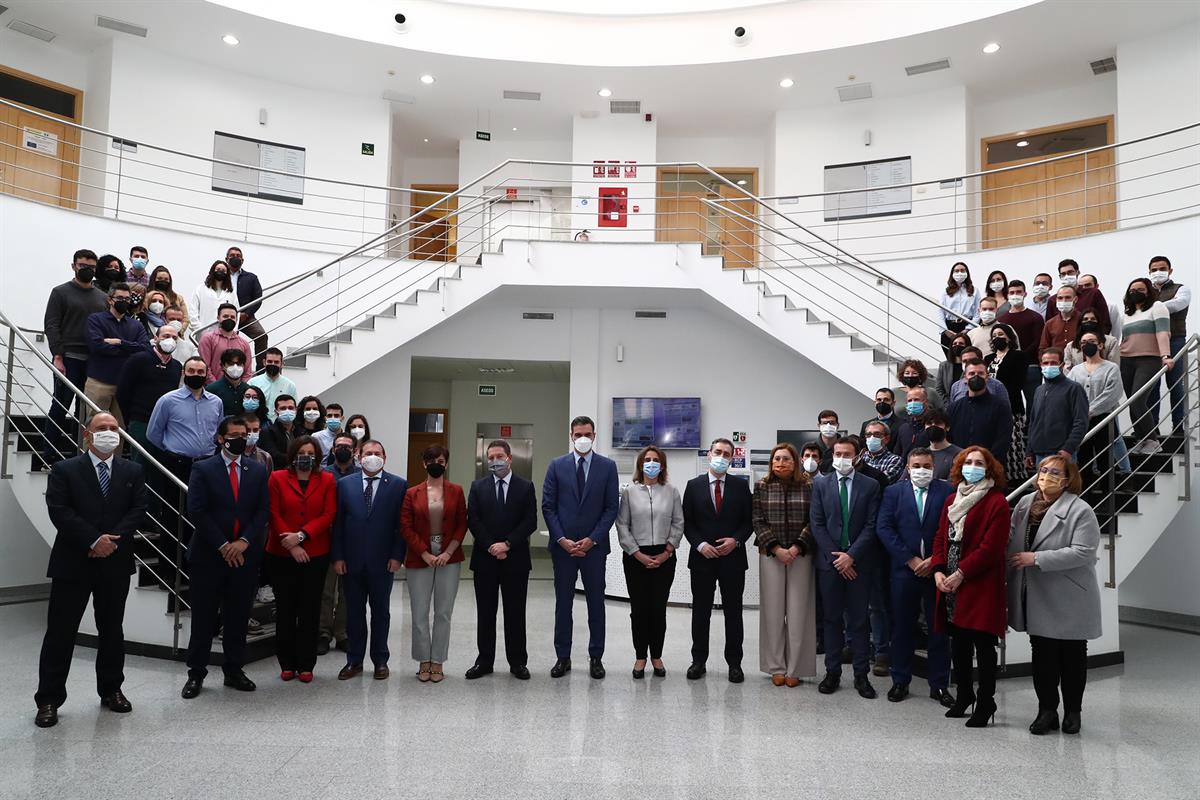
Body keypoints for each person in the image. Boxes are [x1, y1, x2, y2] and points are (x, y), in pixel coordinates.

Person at [34, 414, 147, 728]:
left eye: (113, 429)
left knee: (112, 630)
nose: (108, 434)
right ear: (87, 435)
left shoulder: (132, 470)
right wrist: (93, 539)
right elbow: (59, 510)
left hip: (115, 560)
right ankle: (48, 699)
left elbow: (138, 509)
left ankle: (112, 690)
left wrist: (111, 541)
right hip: (73, 562)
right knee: (60, 633)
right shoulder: (64, 469)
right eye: (101, 429)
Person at [1007, 456, 1102, 736]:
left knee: (1072, 658)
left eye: (1054, 472)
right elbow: (1012, 537)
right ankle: (1047, 710)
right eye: (1043, 470)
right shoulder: (1025, 504)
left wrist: (1036, 558)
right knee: (1043, 657)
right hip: (1036, 592)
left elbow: (1084, 551)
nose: (1046, 476)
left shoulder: (1080, 510)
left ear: (1068, 478)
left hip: (1069, 594)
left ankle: (1074, 711)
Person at [180, 415, 270, 700]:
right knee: (204, 618)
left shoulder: (256, 470)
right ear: (220, 438)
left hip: (244, 557)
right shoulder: (202, 468)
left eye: (244, 434)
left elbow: (262, 512)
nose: (240, 439)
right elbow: (197, 510)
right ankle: (196, 673)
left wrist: (242, 542)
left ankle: (234, 670)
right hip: (209, 555)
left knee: (238, 616)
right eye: (234, 434)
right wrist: (223, 544)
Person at [931, 446, 1010, 728]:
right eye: (968, 462)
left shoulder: (996, 501)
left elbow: (992, 548)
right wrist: (939, 570)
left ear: (989, 469)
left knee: (983, 646)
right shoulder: (952, 498)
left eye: (978, 463)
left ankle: (986, 701)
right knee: (959, 644)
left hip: (979, 582)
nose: (972, 466)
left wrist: (962, 573)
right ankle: (964, 695)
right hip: (950, 581)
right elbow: (941, 536)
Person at [875, 447, 955, 707]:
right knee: (901, 629)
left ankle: (940, 685)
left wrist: (934, 560)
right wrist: (910, 560)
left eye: (927, 466)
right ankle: (900, 680)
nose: (922, 470)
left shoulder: (947, 492)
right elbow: (884, 528)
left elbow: (952, 529)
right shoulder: (893, 492)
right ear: (908, 468)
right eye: (917, 465)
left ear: (934, 468)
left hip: (937, 571)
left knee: (938, 630)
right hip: (903, 571)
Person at [542, 415, 620, 679]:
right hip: (563, 549)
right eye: (578, 434)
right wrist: (562, 539)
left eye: (587, 434)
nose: (582, 439)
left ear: (594, 435)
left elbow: (611, 508)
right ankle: (562, 657)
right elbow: (548, 506)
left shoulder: (607, 467)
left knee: (596, 604)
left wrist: (592, 539)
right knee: (563, 604)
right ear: (571, 436)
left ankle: (596, 656)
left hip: (594, 549)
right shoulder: (556, 466)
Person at [809, 437, 882, 698]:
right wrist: (838, 559)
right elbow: (817, 524)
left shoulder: (871, 485)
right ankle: (832, 672)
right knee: (831, 620)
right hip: (830, 565)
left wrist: (851, 557)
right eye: (837, 453)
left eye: (846, 453)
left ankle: (861, 676)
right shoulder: (820, 483)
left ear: (857, 455)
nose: (841, 457)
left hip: (859, 563)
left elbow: (872, 525)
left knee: (860, 622)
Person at [332, 440, 407, 680]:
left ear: (385, 456)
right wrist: (338, 557)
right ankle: (354, 661)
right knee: (353, 614)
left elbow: (401, 526)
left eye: (377, 453)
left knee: (381, 613)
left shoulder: (398, 485)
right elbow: (338, 525)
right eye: (368, 453)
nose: (372, 457)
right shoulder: (344, 485)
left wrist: (397, 556)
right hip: (351, 562)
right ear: (358, 455)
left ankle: (380, 661)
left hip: (383, 563)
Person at [681, 437, 753, 683]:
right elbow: (687, 522)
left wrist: (736, 540)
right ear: (709, 455)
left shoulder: (741, 487)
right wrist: (700, 545)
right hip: (702, 560)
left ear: (732, 458)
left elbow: (748, 522)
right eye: (718, 452)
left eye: (726, 453)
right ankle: (698, 661)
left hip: (733, 560)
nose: (721, 457)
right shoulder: (693, 486)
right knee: (701, 612)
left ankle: (735, 663)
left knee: (734, 613)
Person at [266, 436, 336, 683]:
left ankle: (306, 664)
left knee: (310, 610)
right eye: (301, 451)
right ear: (292, 455)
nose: (305, 455)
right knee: (285, 609)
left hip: (315, 553)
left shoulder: (327, 479)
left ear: (317, 456)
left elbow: (328, 514)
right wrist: (291, 543)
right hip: (281, 553)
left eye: (310, 452)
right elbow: (273, 512)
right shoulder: (277, 478)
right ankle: (286, 662)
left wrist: (302, 535)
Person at [466, 439, 537, 680]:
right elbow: (473, 520)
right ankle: (484, 661)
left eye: (499, 456)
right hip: (485, 560)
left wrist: (506, 544)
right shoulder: (478, 487)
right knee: (486, 613)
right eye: (491, 456)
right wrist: (491, 546)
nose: (495, 460)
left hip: (515, 559)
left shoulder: (525, 487)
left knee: (515, 613)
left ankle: (517, 662)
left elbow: (530, 521)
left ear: (510, 458)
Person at [401, 445, 467, 683]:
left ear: (446, 464)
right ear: (424, 464)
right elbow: (406, 527)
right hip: (420, 558)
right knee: (419, 612)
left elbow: (462, 523)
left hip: (449, 557)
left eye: (440, 460)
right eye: (430, 460)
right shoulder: (412, 493)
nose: (435, 463)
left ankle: (438, 660)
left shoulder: (457, 491)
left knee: (443, 612)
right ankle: (423, 660)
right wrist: (425, 553)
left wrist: (448, 553)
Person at [752, 443, 816, 687]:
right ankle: (776, 666)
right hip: (771, 554)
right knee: (772, 612)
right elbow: (757, 520)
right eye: (776, 459)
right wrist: (777, 548)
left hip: (801, 555)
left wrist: (797, 547)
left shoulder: (809, 485)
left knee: (800, 612)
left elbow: (814, 520)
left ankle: (795, 668)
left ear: (795, 461)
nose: (780, 463)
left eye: (786, 459)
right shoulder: (762, 486)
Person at [617, 446, 684, 679]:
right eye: (647, 460)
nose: (652, 463)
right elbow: (622, 525)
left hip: (664, 557)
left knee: (657, 609)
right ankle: (640, 657)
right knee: (639, 610)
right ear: (640, 464)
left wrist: (667, 551)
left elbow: (678, 523)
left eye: (656, 460)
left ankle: (656, 655)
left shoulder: (672, 491)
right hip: (636, 557)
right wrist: (636, 553)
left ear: (662, 465)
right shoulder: (629, 492)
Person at [43, 248, 109, 461]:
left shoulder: (102, 297)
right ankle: (49, 454)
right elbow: (52, 325)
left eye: (91, 267)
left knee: (86, 410)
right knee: (60, 405)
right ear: (73, 266)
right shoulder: (60, 292)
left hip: (94, 361)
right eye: (83, 266)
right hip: (69, 357)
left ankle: (79, 454)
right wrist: (58, 356)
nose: (87, 270)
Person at [1119, 277, 1173, 454]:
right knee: (1131, 402)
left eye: (1141, 289)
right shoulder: (1126, 314)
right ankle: (1141, 439)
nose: (1136, 292)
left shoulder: (1158, 307)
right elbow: (1124, 340)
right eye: (1132, 289)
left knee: (1138, 399)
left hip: (1149, 359)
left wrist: (1165, 355)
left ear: (1149, 291)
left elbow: (1163, 332)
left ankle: (1153, 440)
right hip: (1126, 360)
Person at [84, 283, 150, 426]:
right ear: (110, 300)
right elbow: (97, 346)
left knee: (119, 428)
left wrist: (120, 342)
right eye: (120, 298)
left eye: (127, 299)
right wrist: (130, 350)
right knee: (95, 425)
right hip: (99, 381)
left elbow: (145, 348)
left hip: (124, 384)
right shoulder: (95, 319)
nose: (124, 302)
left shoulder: (136, 325)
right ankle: (88, 450)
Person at [115, 324, 182, 464]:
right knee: (141, 464)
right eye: (166, 336)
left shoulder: (177, 366)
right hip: (141, 421)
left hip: (165, 425)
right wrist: (131, 418)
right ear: (156, 338)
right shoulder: (138, 359)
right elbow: (122, 391)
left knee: (162, 466)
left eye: (174, 338)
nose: (170, 340)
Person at [316, 433, 358, 655]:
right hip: (327, 539)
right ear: (332, 450)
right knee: (325, 591)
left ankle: (342, 633)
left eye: (347, 447)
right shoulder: (323, 475)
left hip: (353, 540)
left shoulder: (361, 475)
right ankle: (323, 633)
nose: (343, 449)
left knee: (348, 591)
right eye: (339, 446)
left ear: (355, 451)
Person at [1068, 335, 1122, 494]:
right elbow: (1070, 393)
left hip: (1103, 418)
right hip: (1081, 421)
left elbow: (1112, 393)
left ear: (1100, 345)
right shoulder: (1076, 370)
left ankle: (1108, 494)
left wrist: (1090, 410)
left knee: (1105, 458)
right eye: (1083, 342)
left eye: (1091, 342)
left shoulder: (1111, 368)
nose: (1087, 345)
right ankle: (1085, 495)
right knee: (1083, 459)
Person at [1144, 256, 1189, 434]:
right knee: (1152, 387)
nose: (1158, 272)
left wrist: (1152, 308)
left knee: (1175, 384)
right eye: (1154, 270)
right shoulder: (1146, 292)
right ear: (1149, 272)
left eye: (1162, 268)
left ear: (1170, 270)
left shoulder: (1181, 289)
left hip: (1175, 340)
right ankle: (1151, 428)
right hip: (1151, 342)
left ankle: (1178, 427)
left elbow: (1179, 304)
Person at [1026, 348, 1089, 468]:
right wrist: (1029, 450)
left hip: (1062, 453)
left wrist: (1068, 449)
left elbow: (1081, 422)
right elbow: (1033, 422)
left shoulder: (1074, 389)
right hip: (1039, 453)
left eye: (1054, 363)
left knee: (1065, 486)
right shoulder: (1039, 390)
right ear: (1040, 365)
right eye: (1045, 363)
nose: (1049, 366)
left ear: (1062, 365)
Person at [984, 323, 1029, 482]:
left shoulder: (1019, 356)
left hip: (1011, 406)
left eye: (1001, 335)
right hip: (990, 408)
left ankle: (1016, 481)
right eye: (994, 336)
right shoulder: (988, 359)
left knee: (1013, 445)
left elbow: (1018, 383)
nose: (997, 338)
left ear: (1009, 337)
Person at [947, 361, 1013, 465]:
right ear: (965, 377)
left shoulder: (1001, 407)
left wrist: (987, 461)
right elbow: (949, 438)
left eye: (980, 373)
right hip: (960, 465)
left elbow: (1003, 438)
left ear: (987, 377)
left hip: (991, 466)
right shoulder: (954, 408)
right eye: (972, 373)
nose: (976, 377)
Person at [998, 278, 1047, 411]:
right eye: (1012, 292)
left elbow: (1038, 341)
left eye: (1018, 292)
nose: (1015, 295)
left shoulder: (1035, 317)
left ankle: (1033, 430)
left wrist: (1019, 357)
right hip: (1008, 367)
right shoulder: (1001, 320)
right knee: (1009, 402)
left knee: (1033, 403)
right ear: (1007, 295)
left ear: (1025, 294)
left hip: (1030, 366)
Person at [226, 246, 268, 370]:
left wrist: (247, 314)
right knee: (226, 343)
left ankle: (261, 369)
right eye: (232, 255)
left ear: (242, 260)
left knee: (261, 335)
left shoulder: (251, 278)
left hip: (246, 317)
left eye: (238, 256)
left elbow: (258, 298)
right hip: (225, 317)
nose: (235, 258)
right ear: (226, 259)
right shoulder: (220, 276)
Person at [1050, 259, 1111, 333]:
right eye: (1063, 274)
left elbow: (1105, 322)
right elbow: (1049, 326)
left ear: (1077, 272)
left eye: (1070, 272)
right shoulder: (1053, 300)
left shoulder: (1093, 293)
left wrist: (1098, 340)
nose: (1066, 276)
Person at [935, 262, 979, 358]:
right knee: (951, 359)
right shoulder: (945, 292)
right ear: (952, 274)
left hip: (967, 327)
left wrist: (968, 329)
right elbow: (940, 312)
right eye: (957, 271)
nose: (960, 273)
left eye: (962, 270)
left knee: (967, 358)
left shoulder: (974, 290)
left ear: (967, 273)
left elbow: (977, 312)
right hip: (949, 328)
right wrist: (945, 330)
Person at [198, 303, 253, 380]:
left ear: (236, 319)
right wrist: (217, 387)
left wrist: (240, 388)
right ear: (218, 318)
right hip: (213, 389)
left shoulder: (244, 343)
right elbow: (205, 367)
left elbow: (247, 371)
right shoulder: (207, 339)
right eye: (225, 316)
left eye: (232, 317)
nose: (229, 319)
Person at [248, 348, 299, 420]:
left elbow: (294, 409)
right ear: (264, 362)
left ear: (281, 364)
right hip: (258, 425)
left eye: (276, 362)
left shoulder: (290, 385)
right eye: (270, 361)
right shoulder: (252, 383)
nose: (273, 364)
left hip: (280, 426)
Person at [190, 260, 236, 334]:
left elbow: (237, 312)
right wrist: (199, 329)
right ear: (212, 271)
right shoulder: (200, 289)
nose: (220, 272)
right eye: (218, 269)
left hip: (225, 333)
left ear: (227, 274)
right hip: (203, 332)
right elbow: (193, 311)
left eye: (223, 270)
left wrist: (233, 330)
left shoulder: (231, 293)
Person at [205, 348, 251, 415]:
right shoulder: (211, 390)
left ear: (243, 366)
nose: (235, 367)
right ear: (223, 366)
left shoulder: (248, 389)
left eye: (239, 364)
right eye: (231, 364)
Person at [1078, 273, 1124, 340]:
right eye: (1081, 287)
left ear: (1096, 286)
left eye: (1087, 285)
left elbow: (1116, 330)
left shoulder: (1111, 306)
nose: (1084, 288)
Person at [259, 395, 299, 467]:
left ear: (296, 410)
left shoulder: (301, 431)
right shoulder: (268, 432)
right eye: (283, 408)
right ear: (276, 411)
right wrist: (298, 459)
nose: (287, 411)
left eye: (290, 408)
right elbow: (274, 455)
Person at [924, 409, 962, 481]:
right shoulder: (920, 454)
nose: (933, 426)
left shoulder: (959, 454)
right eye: (929, 423)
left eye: (938, 423)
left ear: (947, 427)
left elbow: (952, 484)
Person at [148, 266, 190, 332]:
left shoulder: (178, 298)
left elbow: (185, 319)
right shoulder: (147, 296)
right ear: (154, 279)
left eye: (166, 279)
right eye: (160, 278)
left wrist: (179, 331)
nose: (163, 281)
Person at [894, 386, 933, 458]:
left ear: (926, 402)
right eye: (909, 400)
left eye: (916, 400)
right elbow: (897, 454)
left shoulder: (934, 425)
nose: (913, 403)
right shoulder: (903, 427)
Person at [1039, 285, 1081, 352]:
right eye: (1060, 298)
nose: (1063, 300)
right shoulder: (1050, 323)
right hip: (1056, 361)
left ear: (1075, 299)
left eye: (1068, 297)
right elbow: (1043, 348)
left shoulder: (1083, 320)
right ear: (1056, 300)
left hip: (1078, 361)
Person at [936, 333, 971, 405]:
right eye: (954, 344)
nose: (957, 345)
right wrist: (948, 405)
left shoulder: (972, 365)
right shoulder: (943, 365)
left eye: (961, 343)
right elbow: (939, 389)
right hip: (949, 406)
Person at [814, 409, 841, 473]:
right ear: (819, 425)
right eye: (824, 423)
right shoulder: (811, 447)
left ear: (838, 425)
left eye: (832, 423)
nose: (828, 426)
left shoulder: (846, 447)